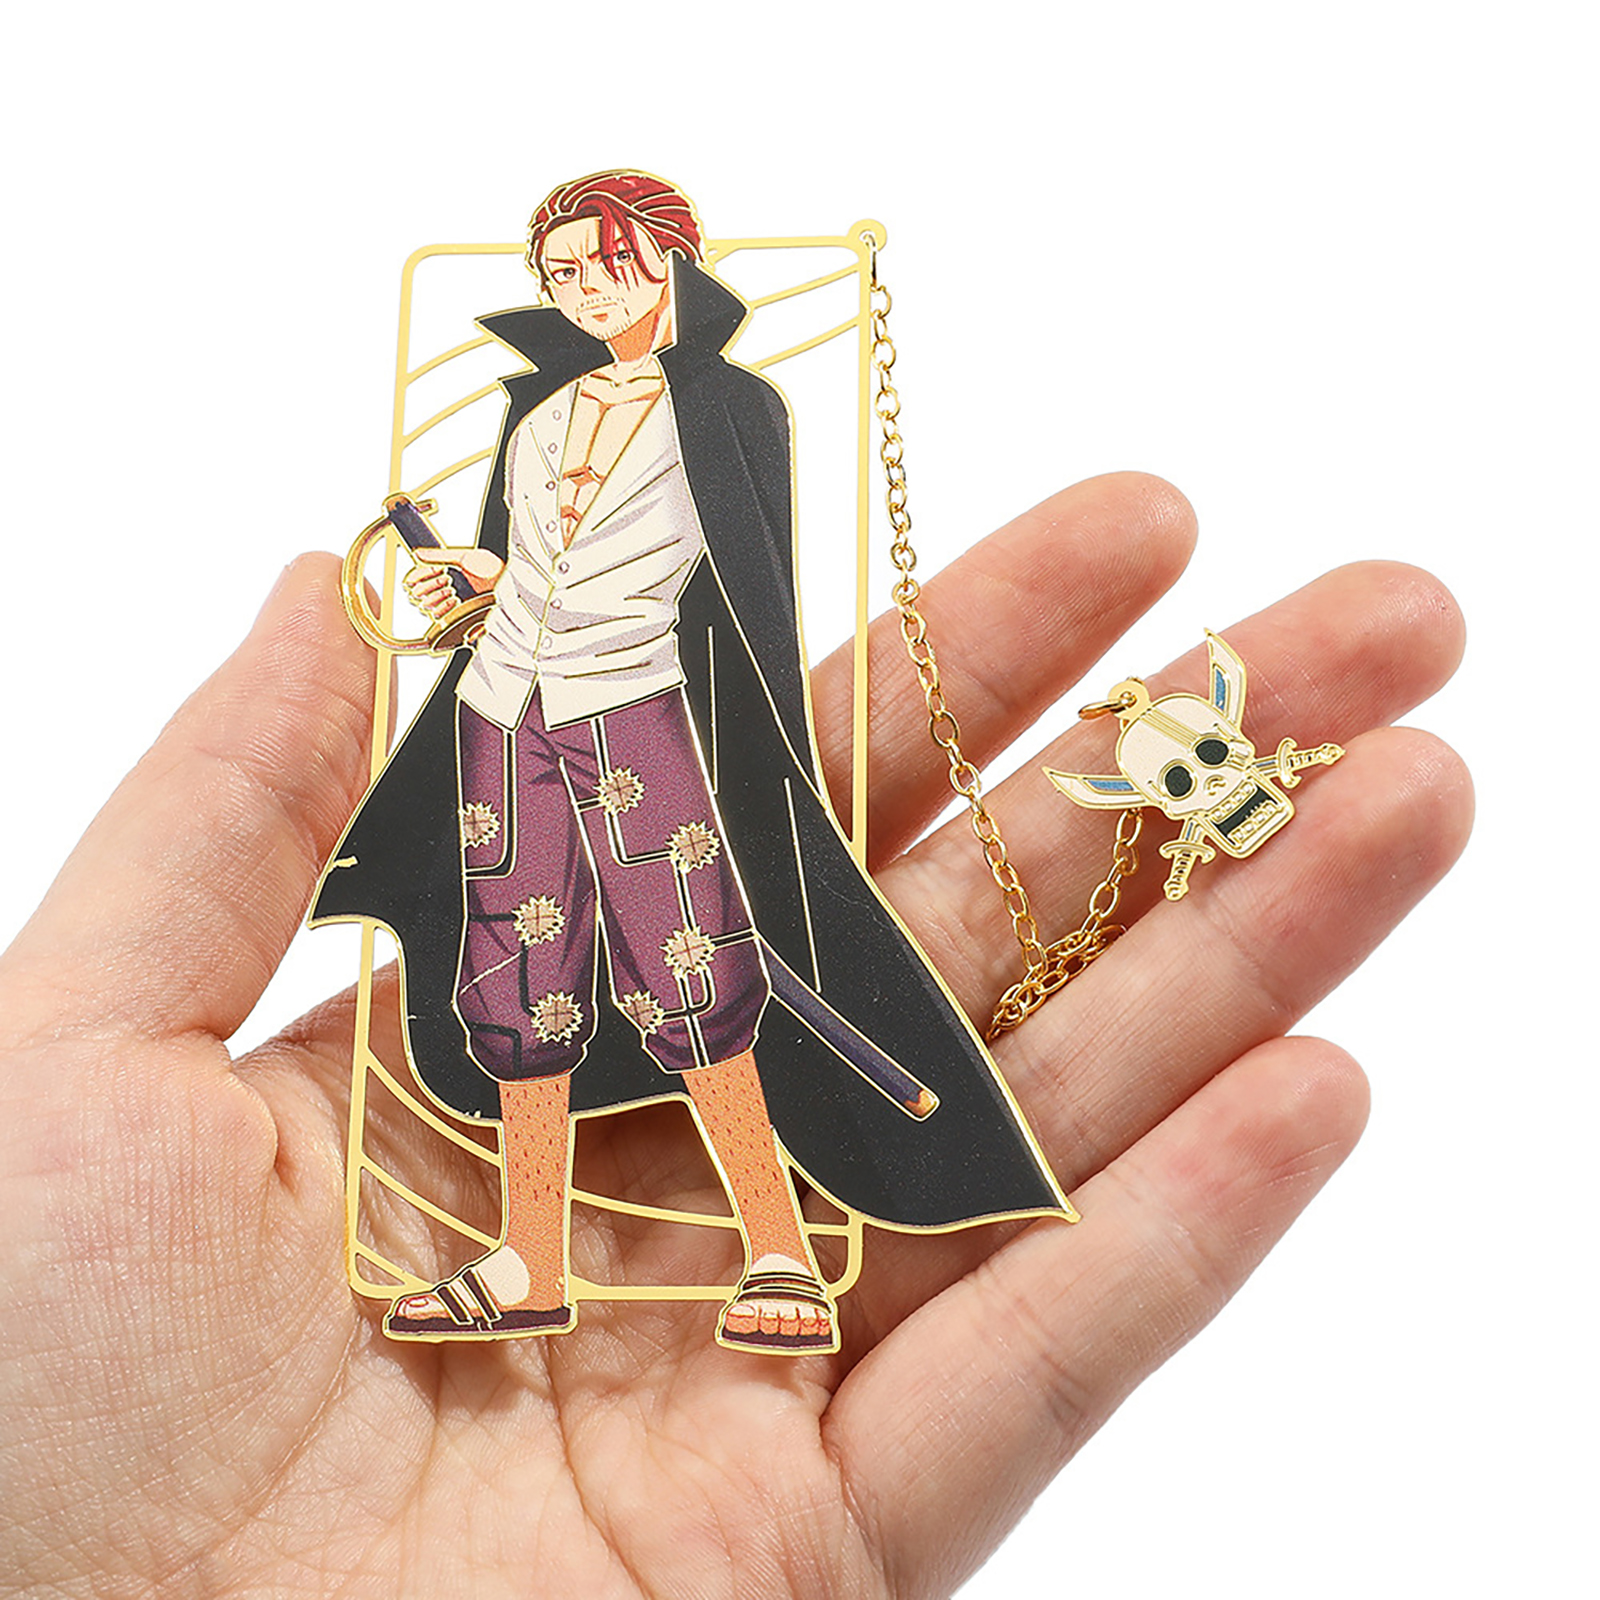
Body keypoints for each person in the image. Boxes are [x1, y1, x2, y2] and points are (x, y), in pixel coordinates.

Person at [310, 170, 1072, 1354]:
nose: (583, 291)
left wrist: (768, 768)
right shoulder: (542, 411)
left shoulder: (728, 407)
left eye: (602, 262)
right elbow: (530, 562)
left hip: (633, 708)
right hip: (502, 710)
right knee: (516, 968)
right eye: (560, 274)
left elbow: (747, 589)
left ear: (666, 253)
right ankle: (530, 1257)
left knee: (691, 961)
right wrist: (480, 579)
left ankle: (776, 1244)